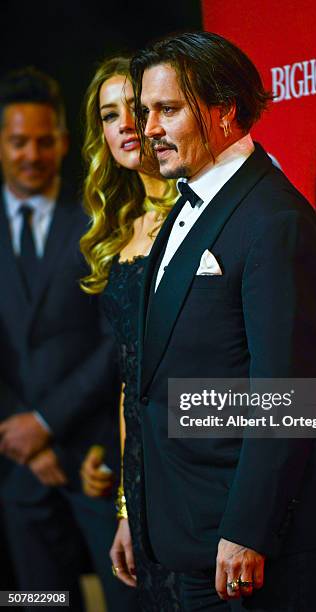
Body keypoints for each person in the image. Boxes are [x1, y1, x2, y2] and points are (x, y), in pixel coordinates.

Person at [114, 32, 316, 611]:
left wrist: (250, 527)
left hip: (260, 542)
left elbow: (284, 389)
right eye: (147, 112)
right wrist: (136, 510)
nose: (148, 129)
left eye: (167, 110)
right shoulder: (188, 202)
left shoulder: (274, 219)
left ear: (223, 111)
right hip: (189, 529)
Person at [0, 67, 138, 611]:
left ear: (61, 141)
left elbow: (115, 338)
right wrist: (21, 433)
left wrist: (48, 423)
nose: (32, 154)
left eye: (43, 140)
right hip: (16, 468)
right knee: (37, 603)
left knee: (126, 600)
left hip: (95, 460)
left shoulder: (97, 218)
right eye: (18, 142)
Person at [79, 57, 180, 610]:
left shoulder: (202, 216)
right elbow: (127, 385)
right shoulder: (117, 237)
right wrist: (124, 506)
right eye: (108, 114)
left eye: (134, 109)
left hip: (201, 469)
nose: (123, 125)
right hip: (143, 484)